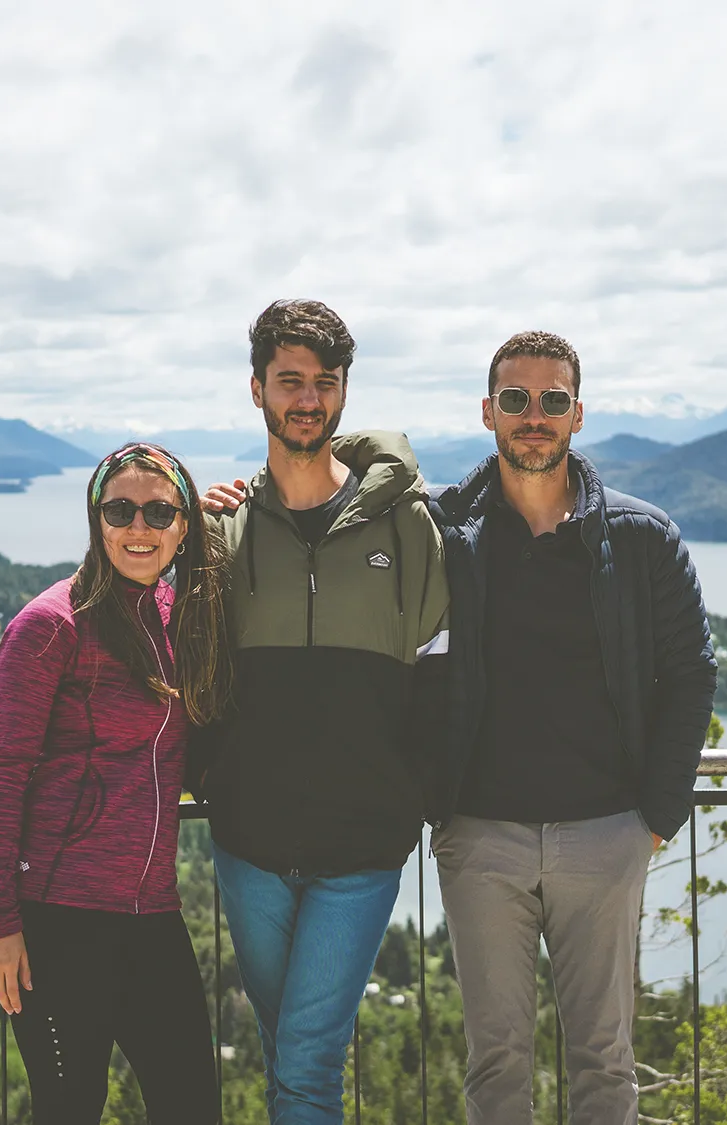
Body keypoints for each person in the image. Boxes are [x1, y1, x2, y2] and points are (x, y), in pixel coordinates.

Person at [427, 330, 717, 1124]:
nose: (534, 416)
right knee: (495, 1062)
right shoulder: (443, 530)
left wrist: (655, 818)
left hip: (606, 832)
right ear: (487, 411)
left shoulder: (640, 537)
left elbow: (691, 673)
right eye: (515, 399)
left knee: (603, 1060)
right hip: (480, 834)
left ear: (577, 414)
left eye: (552, 400)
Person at [189, 299, 450, 1125]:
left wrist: (413, 797)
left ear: (343, 393)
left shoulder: (406, 524)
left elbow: (440, 673)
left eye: (323, 382)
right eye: (289, 380)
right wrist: (213, 783)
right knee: (286, 1054)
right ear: (257, 388)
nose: (307, 398)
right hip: (251, 845)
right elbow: (187, 668)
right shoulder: (223, 530)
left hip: (362, 850)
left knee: (304, 1063)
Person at [0, 442, 230, 1125]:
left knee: (193, 1107)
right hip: (59, 918)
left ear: (183, 525)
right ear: (96, 518)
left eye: (158, 510)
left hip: (152, 912)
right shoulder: (50, 626)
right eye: (121, 509)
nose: (139, 527)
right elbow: (3, 776)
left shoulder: (179, 617)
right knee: (69, 1109)